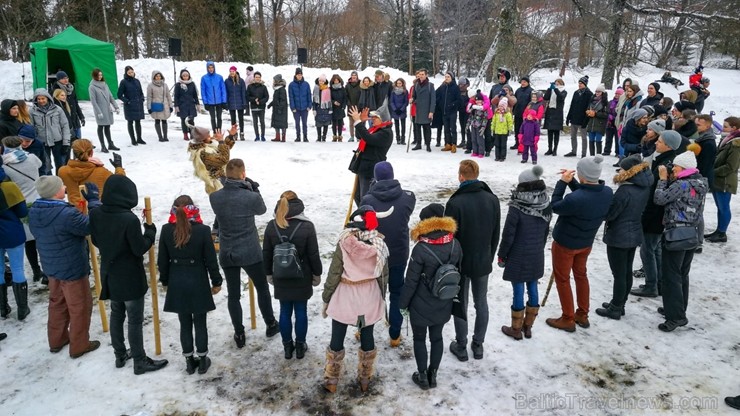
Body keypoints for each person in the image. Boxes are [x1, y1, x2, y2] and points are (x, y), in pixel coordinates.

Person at [90, 175, 169, 374]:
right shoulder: (128, 219)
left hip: (110, 272)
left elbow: (97, 241)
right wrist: (150, 232)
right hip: (129, 276)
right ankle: (139, 360)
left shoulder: (97, 213)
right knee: (134, 319)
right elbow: (138, 248)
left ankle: (119, 354)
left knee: (117, 315)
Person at [28, 176, 100, 356]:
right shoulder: (66, 214)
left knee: (57, 303)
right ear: (54, 192)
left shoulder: (36, 210)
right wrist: (93, 204)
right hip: (72, 267)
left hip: (51, 265)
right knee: (80, 306)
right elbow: (90, 226)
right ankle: (79, 345)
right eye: (62, 186)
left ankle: (57, 339)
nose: (65, 187)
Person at [209, 158, 278, 347]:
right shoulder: (250, 197)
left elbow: (225, 209)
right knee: (262, 288)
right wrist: (254, 189)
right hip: (249, 250)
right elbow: (262, 210)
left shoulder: (215, 197)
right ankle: (270, 323)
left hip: (228, 251)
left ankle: (239, 333)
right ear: (243, 174)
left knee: (233, 294)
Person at [322, 205, 389, 393]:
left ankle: (332, 379)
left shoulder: (344, 242)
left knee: (338, 334)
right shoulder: (380, 245)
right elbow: (383, 275)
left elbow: (335, 272)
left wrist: (327, 296)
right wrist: (381, 296)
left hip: (346, 295)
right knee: (367, 334)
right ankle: (365, 378)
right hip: (369, 295)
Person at [399, 203, 462, 390]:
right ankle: (433, 374)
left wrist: (403, 304)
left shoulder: (420, 249)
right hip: (444, 300)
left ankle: (422, 376)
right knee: (437, 337)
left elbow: (410, 281)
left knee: (419, 339)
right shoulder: (455, 244)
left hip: (420, 303)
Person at [546, 155, 613, 332]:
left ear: (582, 175)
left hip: (565, 244)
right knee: (581, 276)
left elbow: (556, 206)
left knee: (563, 279)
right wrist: (572, 182)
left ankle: (567, 318)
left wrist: (562, 183)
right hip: (585, 243)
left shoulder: (576, 199)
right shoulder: (606, 192)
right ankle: (582, 314)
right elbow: (585, 194)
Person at [158, 195, 222, 375]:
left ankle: (188, 360)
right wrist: (216, 281)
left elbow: (162, 260)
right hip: (198, 280)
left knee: (184, 322)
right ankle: (202, 360)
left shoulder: (165, 230)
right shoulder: (202, 230)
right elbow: (211, 260)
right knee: (200, 322)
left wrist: (165, 281)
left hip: (177, 280)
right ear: (193, 208)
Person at [445, 160, 500, 361]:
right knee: (481, 302)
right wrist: (490, 256)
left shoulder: (455, 202)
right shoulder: (492, 199)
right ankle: (478, 344)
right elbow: (496, 234)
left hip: (460, 263)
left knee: (461, 303)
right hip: (482, 260)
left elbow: (448, 238)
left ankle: (461, 344)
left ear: (461, 176)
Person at [361, 161, 415, 347]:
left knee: (368, 294)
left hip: (375, 254)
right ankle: (395, 334)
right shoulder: (408, 197)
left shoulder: (368, 200)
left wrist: (370, 190)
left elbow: (365, 217)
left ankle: (362, 329)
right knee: (397, 293)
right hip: (398, 254)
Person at [262, 191, 322, 359]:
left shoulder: (272, 226)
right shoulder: (307, 226)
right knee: (301, 311)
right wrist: (317, 274)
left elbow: (266, 253)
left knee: (284, 311)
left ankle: (287, 347)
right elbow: (313, 254)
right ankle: (301, 346)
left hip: (280, 275)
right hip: (302, 276)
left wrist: (268, 274)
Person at [654, 144, 706, 332]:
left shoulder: (680, 184)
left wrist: (662, 180)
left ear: (683, 169)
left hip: (676, 234)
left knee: (671, 276)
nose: (673, 169)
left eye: (675, 167)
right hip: (692, 234)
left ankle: (676, 317)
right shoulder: (700, 183)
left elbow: (659, 199)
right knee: (682, 273)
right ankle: (676, 307)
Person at [595, 155, 653, 320]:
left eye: (621, 168)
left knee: (619, 274)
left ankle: (615, 308)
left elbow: (610, 214)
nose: (619, 170)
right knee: (626, 271)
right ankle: (620, 302)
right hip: (634, 232)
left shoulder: (625, 190)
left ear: (629, 171)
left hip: (619, 235)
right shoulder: (643, 186)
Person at [631, 130, 682, 298]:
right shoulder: (665, 160)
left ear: (668, 145)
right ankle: (660, 283)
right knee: (655, 249)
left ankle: (651, 285)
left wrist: (645, 216)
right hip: (658, 215)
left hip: (655, 215)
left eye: (659, 141)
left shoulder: (666, 165)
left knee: (647, 250)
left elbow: (656, 194)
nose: (656, 143)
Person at [1, 136, 44, 283]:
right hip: (38, 201)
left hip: (20, 204)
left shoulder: (5, 166)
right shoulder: (32, 158)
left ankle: (36, 271)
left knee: (29, 242)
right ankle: (47, 270)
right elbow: (40, 164)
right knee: (42, 239)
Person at [58, 139, 125, 208]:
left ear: (74, 153)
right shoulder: (101, 172)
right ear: (91, 152)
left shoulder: (63, 171)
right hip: (95, 210)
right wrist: (118, 168)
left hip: (74, 211)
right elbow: (119, 183)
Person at [348, 103, 393, 205]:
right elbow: (361, 135)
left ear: (383, 119)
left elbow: (369, 138)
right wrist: (362, 123)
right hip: (363, 167)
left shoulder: (386, 133)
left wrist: (358, 122)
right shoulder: (375, 129)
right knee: (357, 196)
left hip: (371, 168)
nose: (372, 119)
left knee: (366, 197)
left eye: (375, 117)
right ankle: (362, 214)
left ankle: (366, 217)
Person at [0, 166, 29, 320]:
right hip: (11, 232)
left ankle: (3, 308)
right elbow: (23, 212)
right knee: (17, 268)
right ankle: (22, 309)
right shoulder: (9, 187)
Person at [705, 117, 740, 243]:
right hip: (718, 179)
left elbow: (731, 166)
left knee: (724, 207)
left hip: (725, 180)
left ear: (734, 128)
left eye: (725, 126)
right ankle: (719, 230)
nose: (722, 128)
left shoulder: (736, 144)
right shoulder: (727, 139)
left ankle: (722, 233)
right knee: (720, 207)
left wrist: (712, 172)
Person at [187, 125, 237, 195]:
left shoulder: (209, 145)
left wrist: (231, 136)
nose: (210, 136)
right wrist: (221, 141)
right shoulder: (203, 153)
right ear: (202, 140)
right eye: (208, 136)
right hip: (216, 184)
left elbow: (225, 149)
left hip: (223, 177)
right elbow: (224, 159)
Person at [30, 88, 70, 175]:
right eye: (38, 99)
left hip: (57, 141)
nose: (41, 101)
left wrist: (66, 142)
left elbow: (65, 126)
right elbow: (31, 127)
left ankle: (60, 183)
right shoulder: (32, 111)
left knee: (60, 165)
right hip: (42, 142)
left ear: (48, 98)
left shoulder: (57, 109)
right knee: (45, 165)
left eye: (43, 98)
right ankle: (50, 183)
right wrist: (34, 142)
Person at [88, 68, 120, 153]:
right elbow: (93, 101)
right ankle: (103, 145)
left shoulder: (105, 84)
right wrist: (99, 112)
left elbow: (110, 97)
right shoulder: (92, 87)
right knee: (101, 126)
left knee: (107, 126)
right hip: (100, 110)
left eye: (101, 75)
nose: (100, 76)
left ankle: (110, 144)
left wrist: (116, 107)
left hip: (107, 109)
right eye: (98, 75)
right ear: (94, 76)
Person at [117, 66, 147, 146]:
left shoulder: (137, 81)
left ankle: (139, 138)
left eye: (132, 72)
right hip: (129, 105)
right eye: (129, 73)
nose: (131, 74)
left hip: (138, 104)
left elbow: (141, 92)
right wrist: (127, 101)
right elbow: (119, 95)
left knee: (138, 121)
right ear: (126, 73)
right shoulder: (123, 82)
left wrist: (142, 99)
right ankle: (133, 139)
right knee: (130, 122)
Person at [51, 71, 85, 140]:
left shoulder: (71, 88)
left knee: (78, 142)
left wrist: (81, 117)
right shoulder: (55, 90)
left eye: (67, 78)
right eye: (63, 78)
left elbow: (76, 104)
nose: (66, 80)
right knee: (69, 143)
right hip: (66, 122)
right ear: (58, 80)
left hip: (75, 120)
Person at [564, 76, 593, 157]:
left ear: (585, 84)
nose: (579, 85)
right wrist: (568, 117)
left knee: (583, 138)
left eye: (581, 83)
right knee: (573, 136)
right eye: (579, 83)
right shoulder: (576, 93)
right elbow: (572, 105)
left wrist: (586, 120)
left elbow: (589, 107)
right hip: (574, 118)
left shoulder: (589, 94)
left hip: (582, 119)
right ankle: (573, 151)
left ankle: (583, 154)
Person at [411, 69, 435, 152]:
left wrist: (431, 111)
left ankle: (428, 144)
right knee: (417, 128)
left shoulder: (430, 86)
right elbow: (414, 96)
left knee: (426, 128)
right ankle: (418, 144)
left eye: (422, 74)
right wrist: (412, 99)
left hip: (426, 110)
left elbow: (433, 100)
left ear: (426, 75)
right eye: (420, 74)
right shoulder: (416, 85)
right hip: (418, 110)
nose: (421, 76)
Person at [200, 61, 227, 135]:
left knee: (219, 117)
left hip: (219, 101)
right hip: (210, 101)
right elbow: (203, 91)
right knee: (212, 118)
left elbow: (223, 89)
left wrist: (224, 101)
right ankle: (215, 131)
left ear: (214, 68)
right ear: (207, 68)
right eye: (209, 68)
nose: (211, 69)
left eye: (212, 67)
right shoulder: (204, 78)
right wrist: (205, 102)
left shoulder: (219, 77)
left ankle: (219, 130)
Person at [146, 70, 173, 142]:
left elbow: (168, 96)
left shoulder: (165, 85)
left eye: (159, 76)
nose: (158, 77)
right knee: (157, 120)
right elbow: (149, 97)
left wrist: (171, 105)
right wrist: (149, 107)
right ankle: (160, 137)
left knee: (164, 120)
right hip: (155, 105)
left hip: (164, 105)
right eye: (156, 76)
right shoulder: (150, 85)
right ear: (154, 77)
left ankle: (165, 136)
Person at [174, 69, 200, 141]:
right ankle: (185, 134)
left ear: (189, 76)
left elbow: (195, 95)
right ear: (181, 76)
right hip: (182, 105)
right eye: (184, 76)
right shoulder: (178, 85)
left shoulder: (192, 84)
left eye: (187, 75)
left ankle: (192, 134)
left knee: (191, 120)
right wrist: (176, 106)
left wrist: (197, 104)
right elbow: (176, 96)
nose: (185, 77)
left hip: (191, 105)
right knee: (184, 120)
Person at [693, 114, 717, 191]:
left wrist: (700, 179)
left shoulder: (708, 143)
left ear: (707, 127)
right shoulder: (700, 138)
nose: (696, 127)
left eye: (698, 125)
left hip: (701, 179)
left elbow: (706, 164)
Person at [543, 78, 567, 156]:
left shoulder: (564, 91)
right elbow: (546, 98)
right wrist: (549, 89)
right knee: (550, 132)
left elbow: (560, 98)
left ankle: (555, 149)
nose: (556, 84)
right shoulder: (552, 91)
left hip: (557, 113)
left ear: (561, 84)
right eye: (555, 83)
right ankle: (549, 148)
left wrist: (556, 89)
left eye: (558, 83)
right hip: (550, 111)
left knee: (556, 132)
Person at [438, 73, 460, 153]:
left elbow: (459, 100)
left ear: (452, 78)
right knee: (446, 129)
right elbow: (438, 95)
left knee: (453, 128)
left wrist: (452, 104)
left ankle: (454, 144)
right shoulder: (443, 87)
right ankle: (448, 144)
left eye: (448, 77)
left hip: (452, 111)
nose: (446, 78)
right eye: (445, 77)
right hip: (444, 111)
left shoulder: (455, 87)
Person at [224, 66, 248, 140]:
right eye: (230, 71)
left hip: (240, 102)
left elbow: (243, 92)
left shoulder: (241, 81)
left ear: (235, 72)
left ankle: (242, 132)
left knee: (241, 119)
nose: (232, 73)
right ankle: (234, 133)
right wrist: (226, 102)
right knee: (233, 119)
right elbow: (226, 93)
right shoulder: (227, 81)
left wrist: (244, 103)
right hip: (231, 102)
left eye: (233, 71)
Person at [289, 68, 312, 142]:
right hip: (296, 108)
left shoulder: (306, 84)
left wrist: (309, 105)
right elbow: (291, 97)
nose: (299, 76)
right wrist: (293, 107)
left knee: (304, 123)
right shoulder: (291, 85)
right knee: (297, 123)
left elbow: (309, 95)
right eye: (298, 75)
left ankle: (305, 136)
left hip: (305, 108)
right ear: (295, 75)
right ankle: (298, 136)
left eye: (300, 75)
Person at [585, 85, 609, 156]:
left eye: (599, 91)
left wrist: (595, 113)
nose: (597, 93)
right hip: (591, 123)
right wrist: (588, 113)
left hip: (600, 124)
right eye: (596, 91)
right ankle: (592, 156)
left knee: (598, 141)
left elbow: (606, 114)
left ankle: (598, 157)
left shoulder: (605, 102)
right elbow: (588, 110)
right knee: (591, 140)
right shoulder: (591, 100)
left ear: (602, 92)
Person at [466, 91, 491, 159]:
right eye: (477, 100)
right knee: (473, 139)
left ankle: (481, 152)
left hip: (480, 126)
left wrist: (483, 127)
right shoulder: (474, 108)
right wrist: (468, 124)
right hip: (473, 125)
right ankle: (475, 151)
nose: (478, 102)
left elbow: (485, 119)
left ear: (482, 101)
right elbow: (470, 116)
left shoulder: (483, 109)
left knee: (480, 139)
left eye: (480, 100)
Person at [512, 76, 534, 151]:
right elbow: (514, 101)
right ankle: (517, 143)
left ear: (528, 82)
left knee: (525, 130)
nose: (523, 83)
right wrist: (513, 111)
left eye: (525, 82)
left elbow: (532, 102)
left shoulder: (531, 91)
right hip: (518, 112)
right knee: (517, 129)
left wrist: (530, 112)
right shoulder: (518, 90)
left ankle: (524, 144)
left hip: (526, 114)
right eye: (522, 81)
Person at [248, 72, 270, 142]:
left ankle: (262, 136)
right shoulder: (250, 86)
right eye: (256, 77)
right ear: (254, 78)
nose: (257, 78)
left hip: (261, 107)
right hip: (254, 107)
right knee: (255, 122)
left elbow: (266, 97)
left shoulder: (263, 87)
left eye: (259, 77)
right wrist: (254, 99)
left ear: (260, 78)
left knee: (262, 122)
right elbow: (247, 96)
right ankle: (257, 136)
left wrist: (260, 101)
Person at [491, 97, 513, 161]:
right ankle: (497, 156)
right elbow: (493, 122)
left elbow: (510, 122)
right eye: (499, 106)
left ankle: (502, 156)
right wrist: (492, 129)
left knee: (503, 145)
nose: (500, 107)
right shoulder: (496, 114)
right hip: (497, 131)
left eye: (502, 106)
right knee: (497, 144)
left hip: (504, 132)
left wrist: (510, 129)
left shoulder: (507, 114)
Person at [268, 74, 289, 142]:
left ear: (277, 81)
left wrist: (280, 108)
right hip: (276, 109)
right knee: (276, 123)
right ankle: (277, 137)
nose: (273, 81)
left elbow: (283, 100)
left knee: (282, 123)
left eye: (274, 80)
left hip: (281, 109)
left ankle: (283, 137)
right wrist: (271, 104)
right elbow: (276, 99)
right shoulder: (277, 89)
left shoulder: (282, 89)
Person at [603, 88, 623, 156]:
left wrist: (615, 117)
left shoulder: (622, 103)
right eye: (616, 93)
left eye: (619, 94)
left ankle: (617, 152)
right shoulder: (611, 102)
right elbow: (607, 111)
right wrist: (609, 116)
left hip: (617, 122)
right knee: (608, 138)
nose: (617, 95)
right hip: (609, 122)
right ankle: (607, 150)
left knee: (617, 139)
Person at [312, 74, 332, 142]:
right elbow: (314, 100)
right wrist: (314, 109)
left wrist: (330, 108)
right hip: (318, 108)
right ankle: (319, 137)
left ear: (325, 81)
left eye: (322, 81)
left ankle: (324, 137)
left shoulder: (327, 89)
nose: (321, 82)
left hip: (326, 108)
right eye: (320, 81)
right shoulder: (316, 89)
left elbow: (330, 100)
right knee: (318, 124)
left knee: (326, 124)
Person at [390, 78, 409, 145]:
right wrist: (395, 109)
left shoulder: (405, 91)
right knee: (396, 125)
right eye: (397, 83)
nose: (399, 84)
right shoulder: (393, 91)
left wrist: (401, 109)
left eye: (400, 83)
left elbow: (406, 101)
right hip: (395, 110)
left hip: (402, 110)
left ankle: (403, 139)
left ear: (402, 84)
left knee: (403, 125)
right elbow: (391, 101)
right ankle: (398, 139)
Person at [330, 74, 348, 142]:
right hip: (334, 107)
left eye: (337, 80)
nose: (336, 81)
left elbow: (345, 98)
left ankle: (340, 136)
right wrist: (333, 102)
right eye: (335, 80)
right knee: (334, 123)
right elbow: (329, 98)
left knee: (340, 122)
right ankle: (334, 135)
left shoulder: (342, 88)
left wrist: (343, 106)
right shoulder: (331, 89)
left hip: (340, 108)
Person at [345, 71, 361, 142]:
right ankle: (352, 136)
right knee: (351, 123)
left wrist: (359, 104)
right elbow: (346, 95)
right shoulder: (348, 85)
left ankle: (358, 137)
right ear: (351, 77)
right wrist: (349, 103)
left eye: (355, 76)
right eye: (353, 76)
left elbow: (362, 95)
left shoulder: (360, 84)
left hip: (358, 106)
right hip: (350, 106)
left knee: (358, 123)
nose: (354, 77)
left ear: (357, 77)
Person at [457, 77, 470, 148]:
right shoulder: (458, 92)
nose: (460, 86)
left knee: (466, 127)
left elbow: (470, 102)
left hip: (467, 112)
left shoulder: (468, 93)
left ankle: (469, 141)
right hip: (461, 112)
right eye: (459, 84)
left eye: (462, 85)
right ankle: (463, 140)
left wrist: (466, 105)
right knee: (462, 126)